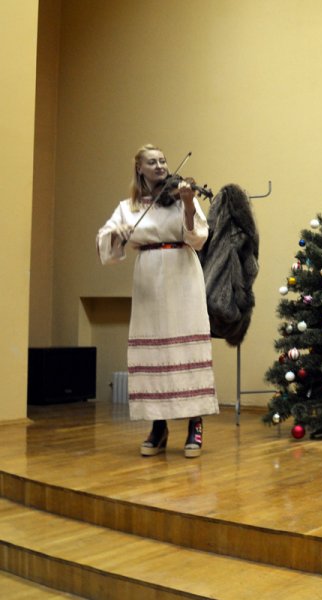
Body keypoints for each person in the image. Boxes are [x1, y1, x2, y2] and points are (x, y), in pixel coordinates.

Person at [97, 144, 219, 458]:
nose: (160, 166)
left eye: (163, 160)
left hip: (183, 273)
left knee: (185, 348)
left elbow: (198, 238)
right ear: (139, 168)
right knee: (155, 351)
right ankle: (158, 426)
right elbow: (107, 248)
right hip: (148, 278)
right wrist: (118, 233)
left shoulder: (181, 196)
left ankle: (195, 423)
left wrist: (189, 204)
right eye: (152, 162)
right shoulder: (128, 207)